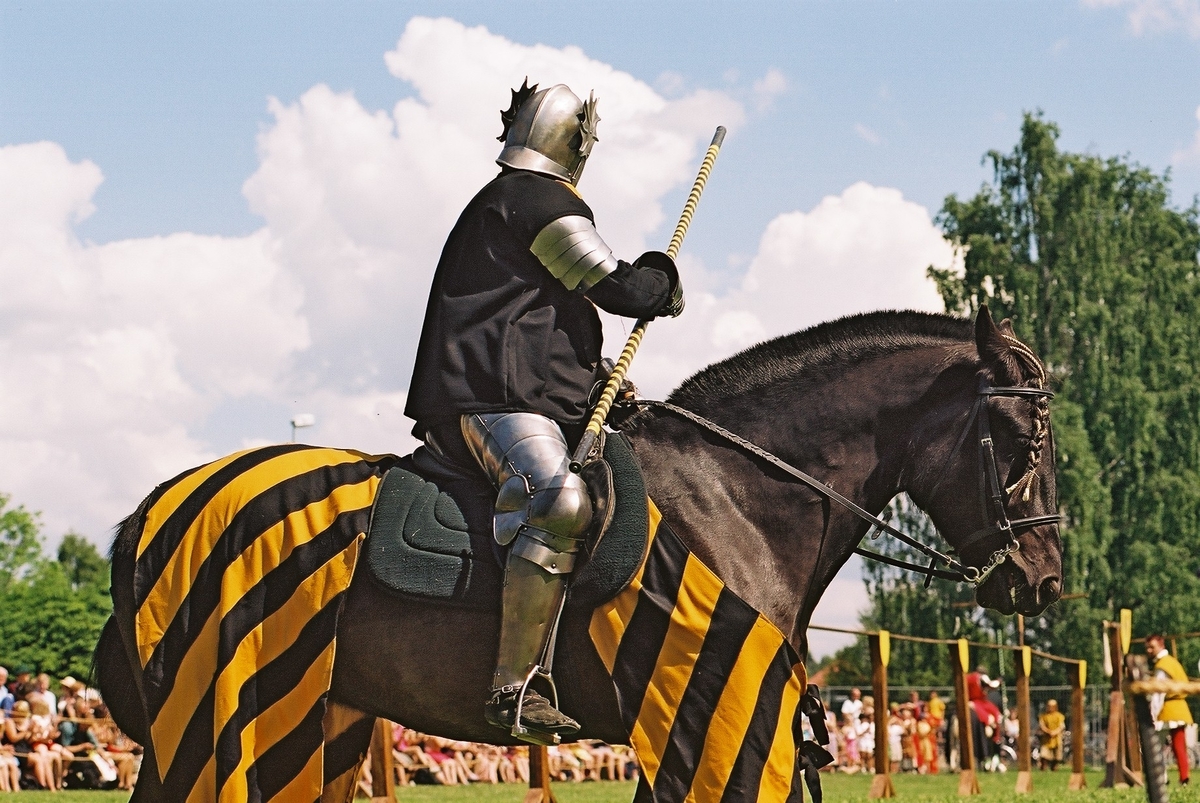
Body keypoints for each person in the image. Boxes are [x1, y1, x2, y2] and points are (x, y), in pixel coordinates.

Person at [405, 80, 684, 743]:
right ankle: (516, 687)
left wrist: (593, 386)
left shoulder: (509, 202)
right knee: (556, 498)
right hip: (490, 402)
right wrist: (662, 280)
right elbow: (615, 286)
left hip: (517, 395)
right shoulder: (535, 200)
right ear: (579, 143)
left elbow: (539, 323)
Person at [1146, 634, 1192, 785]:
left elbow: (1159, 693)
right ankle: (1184, 777)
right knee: (1179, 746)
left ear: (1161, 645)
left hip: (1168, 709)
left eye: (1152, 646)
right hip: (1180, 708)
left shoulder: (1162, 666)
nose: (1148, 650)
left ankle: (1162, 778)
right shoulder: (1173, 662)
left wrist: (1152, 714)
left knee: (1156, 746)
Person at [1038, 699, 1065, 771]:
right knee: (1043, 755)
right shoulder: (1043, 716)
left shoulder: (1059, 716)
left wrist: (1054, 732)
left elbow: (1061, 726)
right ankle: (1043, 769)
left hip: (1056, 740)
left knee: (1056, 757)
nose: (1050, 708)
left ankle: (1054, 770)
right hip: (1046, 740)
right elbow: (1042, 725)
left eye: (1052, 706)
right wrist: (1048, 731)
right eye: (1049, 706)